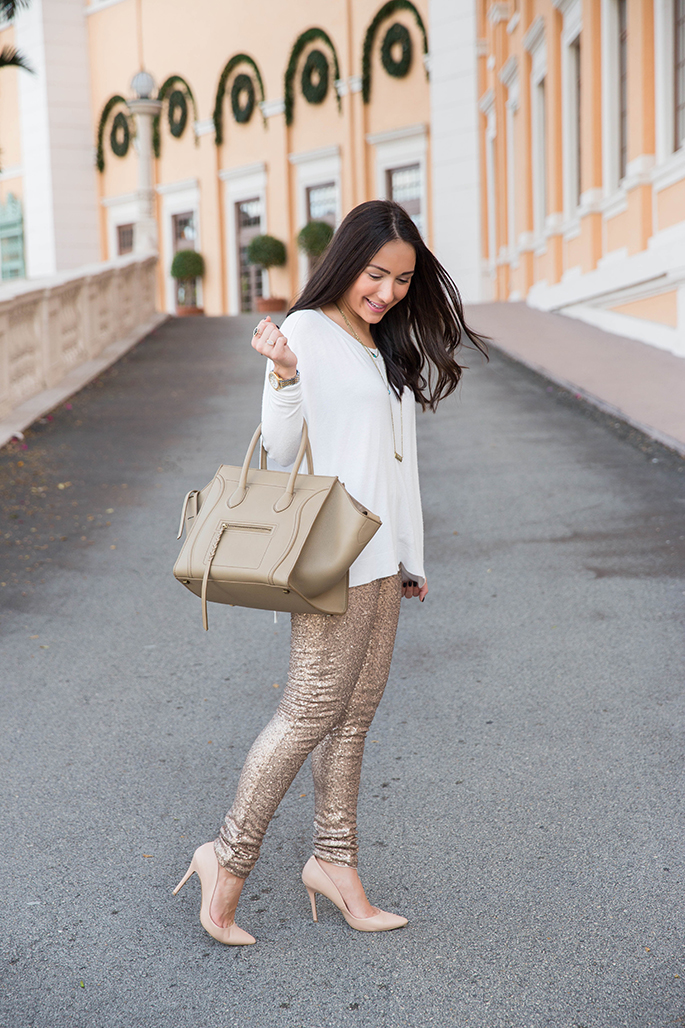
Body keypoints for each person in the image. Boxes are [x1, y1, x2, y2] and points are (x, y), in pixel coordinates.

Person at [173, 199, 487, 945]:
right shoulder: (307, 330)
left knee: (353, 720)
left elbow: (396, 466)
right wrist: (282, 374)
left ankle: (334, 864)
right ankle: (226, 855)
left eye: (403, 280)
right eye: (376, 274)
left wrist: (412, 557)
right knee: (309, 710)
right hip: (329, 557)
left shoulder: (382, 346)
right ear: (348, 262)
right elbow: (282, 450)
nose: (387, 291)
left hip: (381, 562)